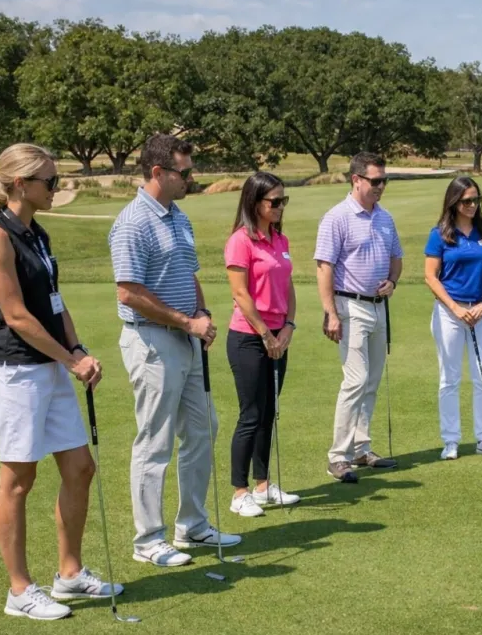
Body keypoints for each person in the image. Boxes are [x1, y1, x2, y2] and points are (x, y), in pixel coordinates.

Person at [0, 143, 121, 620]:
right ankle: (19, 591)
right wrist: (69, 360)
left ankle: (70, 574)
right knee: (19, 479)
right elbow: (16, 316)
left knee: (80, 468)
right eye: (51, 182)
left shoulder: (37, 232)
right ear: (20, 184)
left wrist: (77, 351)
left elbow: (55, 303)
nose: (58, 188)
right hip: (17, 372)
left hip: (51, 366)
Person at [109, 133, 240, 566]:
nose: (190, 178)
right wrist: (187, 322)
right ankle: (148, 539)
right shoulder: (133, 222)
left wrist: (200, 312)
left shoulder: (178, 216)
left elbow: (188, 272)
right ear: (157, 172)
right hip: (152, 341)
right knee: (155, 439)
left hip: (185, 337)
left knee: (203, 429)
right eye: (184, 172)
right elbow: (128, 292)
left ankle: (193, 525)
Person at [314, 151, 402, 482]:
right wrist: (330, 313)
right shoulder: (336, 218)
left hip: (379, 307)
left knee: (372, 380)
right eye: (375, 181)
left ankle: (361, 448)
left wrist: (392, 281)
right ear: (356, 179)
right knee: (356, 380)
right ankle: (338, 456)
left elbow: (396, 258)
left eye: (384, 181)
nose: (381, 186)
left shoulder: (385, 218)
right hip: (349, 306)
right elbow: (324, 267)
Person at [224, 172, 300, 517]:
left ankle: (263, 486)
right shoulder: (240, 241)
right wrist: (267, 335)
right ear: (255, 203)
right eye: (275, 201)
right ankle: (239, 493)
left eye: (284, 200)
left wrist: (288, 327)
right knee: (251, 415)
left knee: (269, 413)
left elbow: (288, 287)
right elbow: (240, 294)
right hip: (248, 338)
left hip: (278, 336)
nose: (281, 206)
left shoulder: (280, 240)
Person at [423, 177, 482, 460]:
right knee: (450, 378)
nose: (472, 205)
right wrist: (455, 308)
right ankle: (451, 440)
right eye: (466, 200)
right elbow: (431, 277)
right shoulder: (440, 234)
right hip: (449, 313)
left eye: (476, 200)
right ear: (454, 202)